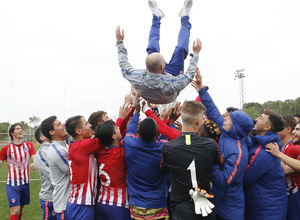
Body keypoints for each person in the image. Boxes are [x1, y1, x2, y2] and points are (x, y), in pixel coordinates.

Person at [192, 68, 253, 220]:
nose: (224, 119)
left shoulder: (238, 152)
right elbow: (212, 111)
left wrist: (210, 158)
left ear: (236, 126)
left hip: (230, 210)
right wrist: (201, 89)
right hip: (218, 203)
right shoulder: (227, 131)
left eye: (229, 119)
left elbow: (224, 181)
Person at [116, 0, 201, 104]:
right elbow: (189, 74)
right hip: (170, 85)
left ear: (146, 67)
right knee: (180, 50)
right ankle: (185, 17)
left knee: (152, 46)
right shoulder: (174, 83)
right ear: (162, 66)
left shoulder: (138, 77)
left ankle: (156, 17)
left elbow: (124, 65)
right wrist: (195, 54)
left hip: (155, 84)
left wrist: (120, 43)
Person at [160, 101, 221, 219]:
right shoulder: (211, 144)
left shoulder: (168, 147)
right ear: (198, 121)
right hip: (206, 206)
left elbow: (164, 169)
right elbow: (220, 164)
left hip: (181, 207)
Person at [122, 98, 170, 220]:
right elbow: (166, 135)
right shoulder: (163, 147)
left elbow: (130, 130)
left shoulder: (129, 144)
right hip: (158, 205)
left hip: (136, 207)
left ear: (139, 132)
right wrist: (172, 121)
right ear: (156, 134)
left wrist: (136, 112)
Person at [243, 110, 287, 220]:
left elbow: (245, 178)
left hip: (267, 211)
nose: (256, 119)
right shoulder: (259, 143)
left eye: (261, 118)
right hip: (262, 207)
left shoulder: (265, 151)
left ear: (267, 127)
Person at [63, 115, 102, 219]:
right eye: (86, 124)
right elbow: (107, 137)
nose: (90, 125)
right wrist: (122, 117)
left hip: (79, 204)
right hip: (81, 206)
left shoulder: (78, 146)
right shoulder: (83, 146)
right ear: (78, 131)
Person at [95, 120, 130, 220]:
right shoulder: (121, 154)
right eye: (117, 128)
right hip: (118, 205)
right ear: (113, 136)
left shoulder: (101, 151)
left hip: (101, 202)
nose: (119, 128)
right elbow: (129, 140)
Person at [0, 123, 36, 220]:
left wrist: (35, 163)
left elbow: (34, 157)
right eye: (18, 129)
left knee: (20, 210)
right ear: (12, 133)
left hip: (25, 183)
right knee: (15, 210)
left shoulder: (29, 145)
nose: (21, 130)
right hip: (12, 184)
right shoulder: (6, 149)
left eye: (21, 129)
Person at [266, 118, 300, 220]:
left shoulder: (293, 148)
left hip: (294, 193)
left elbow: (285, 170)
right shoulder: (289, 146)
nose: (294, 131)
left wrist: (277, 154)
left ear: (287, 129)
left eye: (298, 129)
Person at [41, 116, 71, 220]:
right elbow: (73, 171)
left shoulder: (63, 146)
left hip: (68, 202)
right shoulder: (56, 150)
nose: (63, 124)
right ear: (52, 132)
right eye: (58, 124)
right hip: (64, 204)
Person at [34, 126, 56, 220]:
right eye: (45, 132)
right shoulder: (41, 153)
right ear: (41, 138)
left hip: (63, 197)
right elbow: (54, 176)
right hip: (50, 198)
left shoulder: (58, 147)